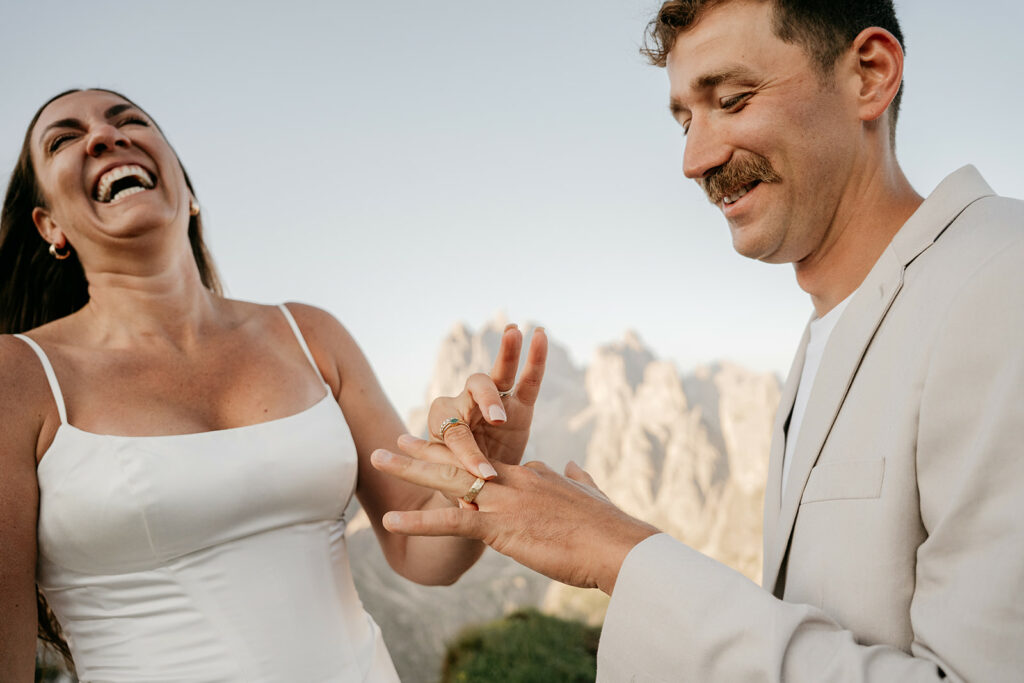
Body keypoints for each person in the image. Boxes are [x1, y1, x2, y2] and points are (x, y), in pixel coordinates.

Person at [370, 1, 1024, 680]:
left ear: (870, 74)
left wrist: (622, 555)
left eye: (733, 100)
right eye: (686, 120)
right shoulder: (822, 337)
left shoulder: (1002, 279)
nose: (694, 159)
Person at [0, 87, 546, 682]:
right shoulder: (19, 376)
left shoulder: (309, 334)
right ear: (48, 223)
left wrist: (474, 479)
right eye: (65, 139)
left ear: (188, 193)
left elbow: (421, 544)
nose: (104, 136)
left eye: (128, 119)